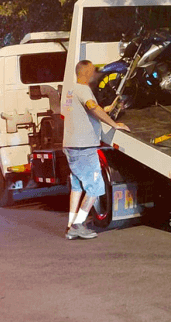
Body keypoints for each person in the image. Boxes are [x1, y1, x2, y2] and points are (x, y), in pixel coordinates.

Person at [62, 59, 130, 240]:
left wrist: (109, 108)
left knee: (77, 186)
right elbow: (92, 107)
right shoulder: (84, 90)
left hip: (71, 146)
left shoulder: (71, 90)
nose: (94, 75)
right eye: (93, 72)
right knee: (95, 188)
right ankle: (78, 225)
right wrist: (114, 124)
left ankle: (70, 224)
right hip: (84, 147)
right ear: (87, 73)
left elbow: (89, 109)